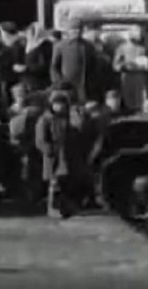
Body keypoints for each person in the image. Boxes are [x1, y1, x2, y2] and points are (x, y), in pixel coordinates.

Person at [36, 90, 89, 219]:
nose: (59, 106)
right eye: (56, 103)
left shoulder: (68, 118)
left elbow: (77, 132)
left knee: (67, 183)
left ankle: (67, 207)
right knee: (54, 184)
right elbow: (40, 140)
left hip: (67, 156)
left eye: (62, 103)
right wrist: (48, 150)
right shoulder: (45, 119)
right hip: (53, 157)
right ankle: (53, 208)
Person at [50, 18, 99, 105]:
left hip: (86, 85)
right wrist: (59, 81)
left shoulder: (88, 46)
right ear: (69, 31)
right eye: (74, 29)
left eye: (79, 29)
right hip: (67, 84)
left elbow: (94, 64)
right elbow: (54, 66)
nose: (77, 32)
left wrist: (93, 81)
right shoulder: (60, 46)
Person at [112, 26, 148, 112]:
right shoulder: (122, 47)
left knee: (139, 99)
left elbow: (146, 63)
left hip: (140, 75)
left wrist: (144, 65)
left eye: (139, 33)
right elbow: (116, 64)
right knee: (128, 99)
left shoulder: (143, 48)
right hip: (127, 75)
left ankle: (139, 109)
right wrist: (124, 65)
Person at [23, 25, 53, 91]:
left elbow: (43, 66)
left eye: (28, 34)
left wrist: (26, 68)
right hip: (29, 82)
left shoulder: (45, 46)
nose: (27, 36)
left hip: (40, 83)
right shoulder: (29, 44)